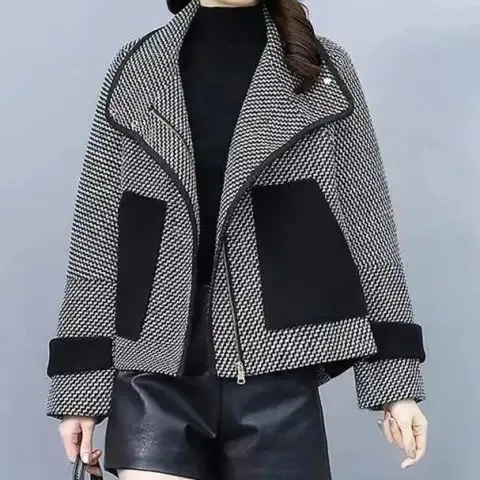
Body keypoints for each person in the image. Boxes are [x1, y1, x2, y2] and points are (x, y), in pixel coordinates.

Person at [46, 0, 428, 478]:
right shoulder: (138, 66)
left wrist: (395, 382)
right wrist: (79, 388)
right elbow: (99, 231)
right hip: (156, 370)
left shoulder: (319, 66)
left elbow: (367, 226)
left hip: (278, 368)